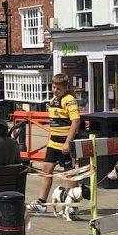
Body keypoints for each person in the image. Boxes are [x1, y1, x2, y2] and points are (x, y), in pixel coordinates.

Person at [29, 74, 85, 219]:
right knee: (46, 170)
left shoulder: (70, 100)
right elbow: (54, 122)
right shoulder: (53, 101)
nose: (55, 91)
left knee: (69, 173)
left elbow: (76, 122)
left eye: (58, 88)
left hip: (65, 143)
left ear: (66, 88)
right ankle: (41, 203)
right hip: (53, 143)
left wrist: (67, 142)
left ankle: (73, 205)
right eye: (53, 87)